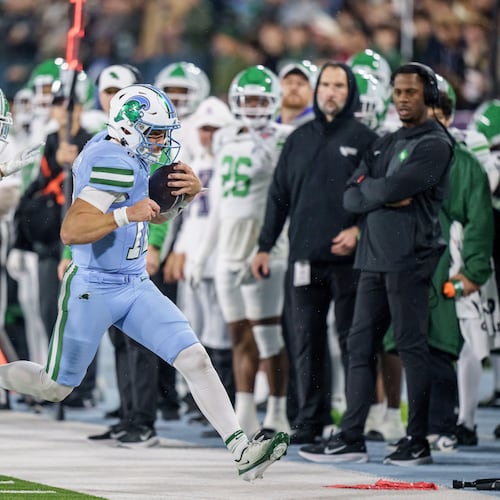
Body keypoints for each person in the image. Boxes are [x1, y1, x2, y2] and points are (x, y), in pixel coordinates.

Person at [0, 83, 289, 481]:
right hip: (93, 286)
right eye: (155, 132)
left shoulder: (126, 151)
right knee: (55, 387)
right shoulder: (110, 159)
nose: (162, 141)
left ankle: (241, 449)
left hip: (133, 283)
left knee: (194, 358)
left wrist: (181, 202)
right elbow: (73, 229)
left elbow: (149, 216)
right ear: (129, 126)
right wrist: (126, 214)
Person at [298, 62, 453, 466]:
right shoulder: (386, 142)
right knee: (358, 346)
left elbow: (391, 187)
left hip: (410, 259)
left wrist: (375, 190)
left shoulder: (435, 143)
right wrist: (379, 193)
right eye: (398, 92)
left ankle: (416, 440)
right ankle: (351, 437)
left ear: (429, 97)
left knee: (411, 347)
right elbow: (351, 196)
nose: (403, 99)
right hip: (371, 259)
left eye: (412, 93)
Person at [251, 62, 378, 444]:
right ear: (317, 90)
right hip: (303, 258)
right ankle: (310, 420)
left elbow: (380, 196)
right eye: (325, 84)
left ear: (350, 92)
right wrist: (264, 245)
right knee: (305, 341)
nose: (331, 92)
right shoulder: (298, 138)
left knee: (352, 343)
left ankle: (352, 423)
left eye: (339, 85)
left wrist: (358, 229)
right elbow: (278, 196)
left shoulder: (366, 139)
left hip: (350, 261)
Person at [190, 65, 293, 438]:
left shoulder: (284, 136)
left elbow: (286, 192)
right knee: (238, 334)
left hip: (264, 248)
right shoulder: (225, 137)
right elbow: (218, 200)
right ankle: (245, 411)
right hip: (228, 250)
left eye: (259, 100)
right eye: (246, 100)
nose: (251, 107)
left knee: (267, 335)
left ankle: (278, 412)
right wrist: (204, 251)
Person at [276, 60, 317, 127]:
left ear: (312, 92)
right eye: (289, 82)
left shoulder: (318, 125)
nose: (293, 88)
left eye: (300, 84)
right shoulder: (268, 122)